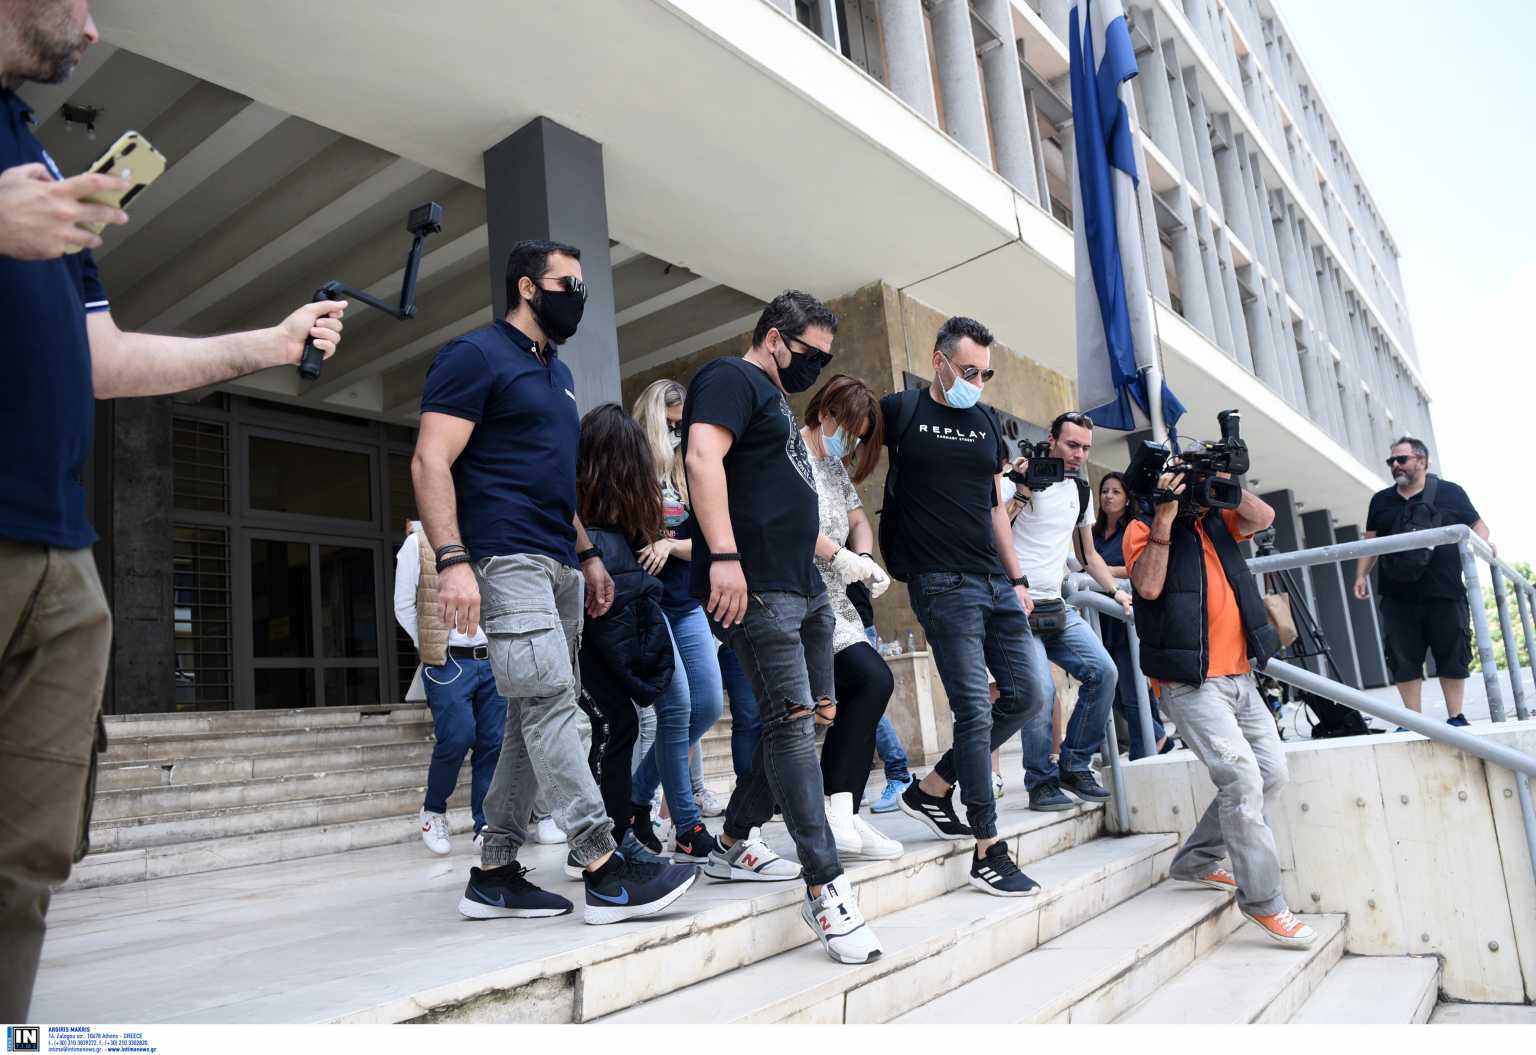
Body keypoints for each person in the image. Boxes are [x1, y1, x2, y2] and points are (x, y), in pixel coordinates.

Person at [0, 1, 349, 1018]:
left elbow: (106, 360)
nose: (92, 29)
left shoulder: (38, 160)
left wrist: (269, 345)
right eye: (80, 1)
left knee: (27, 856)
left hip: (61, 558)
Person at [413, 238, 696, 925]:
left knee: (526, 716)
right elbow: (430, 459)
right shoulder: (475, 356)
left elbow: (554, 481)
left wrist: (588, 555)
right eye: (568, 284)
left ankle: (494, 872)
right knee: (550, 704)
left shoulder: (558, 375)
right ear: (527, 287)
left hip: (559, 564)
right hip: (506, 559)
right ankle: (603, 864)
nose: (579, 297)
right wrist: (452, 559)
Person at [683, 290, 882, 965]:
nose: (815, 367)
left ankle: (733, 837)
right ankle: (825, 887)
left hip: (805, 586)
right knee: (792, 721)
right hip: (760, 585)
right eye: (809, 353)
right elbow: (702, 460)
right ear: (774, 338)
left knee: (811, 717)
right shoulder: (729, 377)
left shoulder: (772, 399)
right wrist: (724, 557)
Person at [886, 316, 1046, 898]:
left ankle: (932, 788)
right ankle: (987, 848)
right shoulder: (900, 411)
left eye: (985, 374)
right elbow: (846, 461)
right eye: (969, 371)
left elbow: (993, 507)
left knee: (1028, 694)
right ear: (939, 362)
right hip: (941, 582)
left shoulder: (983, 422)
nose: (977, 382)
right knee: (974, 709)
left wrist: (1017, 578)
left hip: (995, 582)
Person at [1124, 464, 1316, 948]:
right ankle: (1265, 901)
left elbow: (1264, 517)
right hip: (1190, 683)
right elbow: (1148, 587)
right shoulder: (1142, 526)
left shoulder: (1216, 520)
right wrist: (1165, 515)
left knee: (1270, 774)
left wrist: (1223, 482)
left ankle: (1196, 860)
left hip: (1240, 677)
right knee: (1242, 778)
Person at [1003, 412, 1129, 811]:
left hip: (1056, 606)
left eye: (1086, 448)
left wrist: (1116, 592)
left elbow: (1088, 555)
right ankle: (1040, 781)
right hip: (1016, 607)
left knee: (1104, 672)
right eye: (1072, 445)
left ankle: (1073, 765)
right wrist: (1022, 490)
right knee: (1040, 693)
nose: (1079, 454)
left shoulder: (1081, 490)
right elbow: (994, 530)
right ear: (1052, 439)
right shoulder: (1016, 478)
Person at [571, 403, 677, 872]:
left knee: (616, 727)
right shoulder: (599, 539)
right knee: (615, 726)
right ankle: (600, 842)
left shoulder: (600, 533)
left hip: (586, 647)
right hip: (585, 647)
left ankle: (611, 836)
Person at [800, 374, 902, 860]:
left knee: (869, 687)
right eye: (850, 432)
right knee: (870, 680)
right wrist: (840, 556)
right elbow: (790, 521)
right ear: (825, 413)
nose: (852, 444)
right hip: (801, 595)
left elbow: (858, 519)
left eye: (860, 438)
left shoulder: (833, 466)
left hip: (838, 599)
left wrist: (862, 558)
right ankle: (834, 809)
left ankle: (844, 808)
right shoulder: (791, 453)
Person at [629, 378, 726, 862]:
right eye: (670, 424)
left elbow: (708, 538)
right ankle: (686, 825)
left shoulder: (691, 469)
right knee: (676, 708)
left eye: (681, 424)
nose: (677, 432)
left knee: (707, 705)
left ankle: (634, 797)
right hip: (649, 604)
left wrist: (669, 545)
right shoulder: (631, 470)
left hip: (687, 601)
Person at [1354, 436, 1492, 728]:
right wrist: (1361, 574)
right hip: (1396, 594)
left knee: (1452, 653)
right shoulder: (1380, 500)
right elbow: (1371, 541)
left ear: (1422, 460)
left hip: (1445, 590)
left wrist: (1482, 546)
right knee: (1402, 658)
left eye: (1401, 459)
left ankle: (1456, 717)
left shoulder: (1451, 493)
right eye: (1391, 461)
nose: (1395, 465)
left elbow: (1477, 525)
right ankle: (1413, 722)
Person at [394, 520, 505, 854]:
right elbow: (403, 606)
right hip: (448, 662)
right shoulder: (418, 543)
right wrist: (431, 645)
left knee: (493, 743)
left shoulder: (489, 532)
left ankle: (485, 823)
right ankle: (433, 811)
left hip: (492, 658)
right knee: (457, 736)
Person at [1092, 472, 1171, 759]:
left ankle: (1146, 749)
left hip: (1126, 617)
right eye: (1105, 490)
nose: (1109, 496)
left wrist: (1101, 571)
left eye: (1116, 491)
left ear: (1127, 499)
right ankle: (1158, 737)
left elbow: (1141, 566)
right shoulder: (1093, 533)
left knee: (1132, 689)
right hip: (1099, 619)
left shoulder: (1136, 528)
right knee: (1111, 692)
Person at [847, 582, 915, 815]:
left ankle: (899, 775)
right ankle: (852, 784)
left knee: (865, 704)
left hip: (852, 626)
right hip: (842, 626)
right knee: (850, 707)